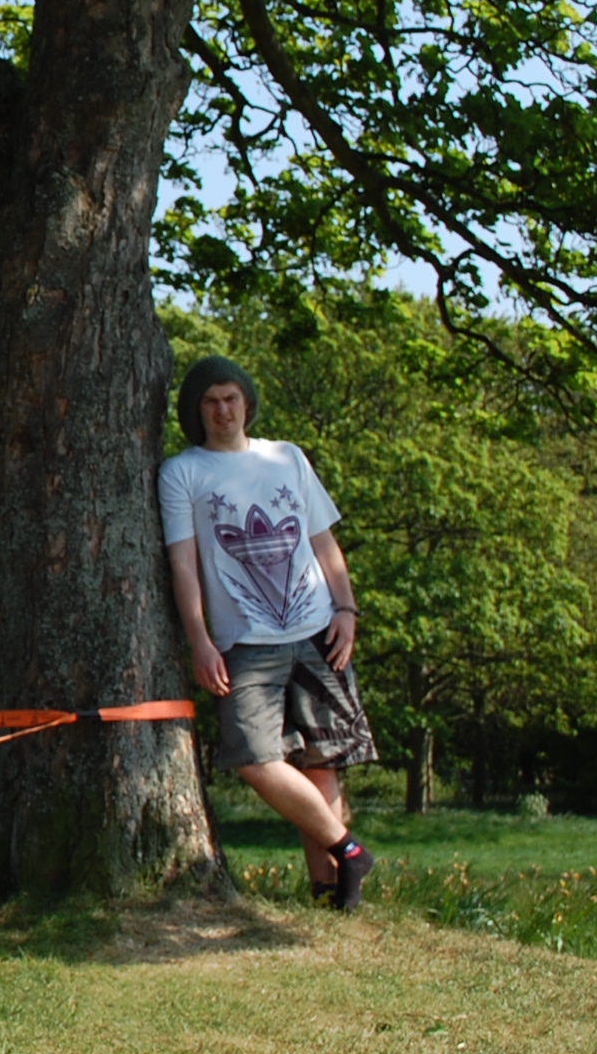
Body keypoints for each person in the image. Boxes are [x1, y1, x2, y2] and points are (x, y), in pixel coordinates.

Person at [161, 355, 379, 909]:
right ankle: (350, 850)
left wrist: (347, 609)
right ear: (196, 411)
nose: (222, 410)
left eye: (231, 398)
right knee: (256, 759)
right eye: (210, 402)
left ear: (247, 402)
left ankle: (332, 892)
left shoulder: (287, 458)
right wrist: (200, 639)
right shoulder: (183, 472)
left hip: (316, 628)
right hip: (245, 643)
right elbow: (183, 563)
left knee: (323, 764)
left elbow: (323, 541)